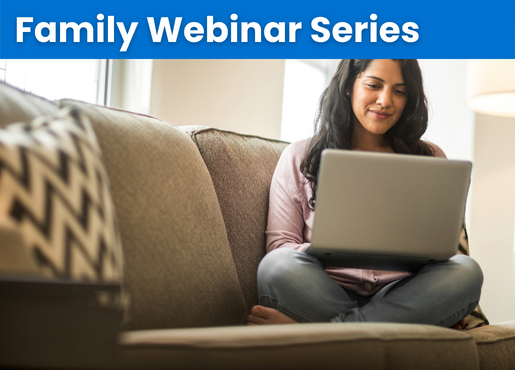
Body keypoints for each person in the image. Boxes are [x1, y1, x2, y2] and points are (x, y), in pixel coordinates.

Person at [247, 59, 483, 329]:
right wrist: (327, 250)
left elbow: (443, 252)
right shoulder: (300, 157)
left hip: (402, 294)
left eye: (400, 91)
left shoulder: (431, 158)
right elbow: (281, 246)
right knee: (276, 265)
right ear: (349, 86)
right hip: (324, 291)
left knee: (466, 271)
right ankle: (367, 334)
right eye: (374, 85)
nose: (385, 101)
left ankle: (324, 336)